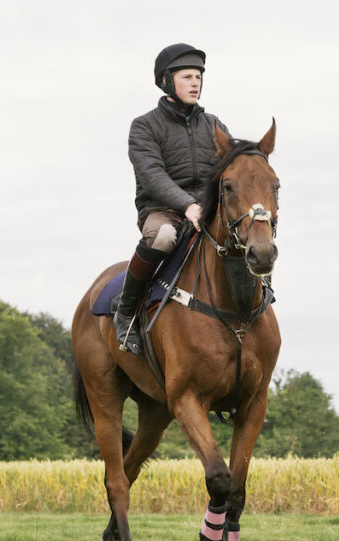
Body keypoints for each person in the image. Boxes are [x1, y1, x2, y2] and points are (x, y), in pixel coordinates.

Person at [115, 43, 230, 355]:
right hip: (162, 209)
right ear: (166, 81)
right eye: (187, 77)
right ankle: (126, 313)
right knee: (164, 237)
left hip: (206, 210)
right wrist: (187, 205)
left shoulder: (214, 125)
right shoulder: (144, 126)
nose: (196, 83)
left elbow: (230, 170)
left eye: (199, 77)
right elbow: (152, 175)